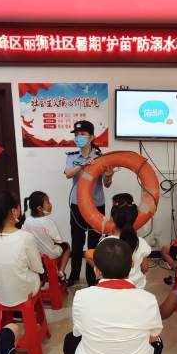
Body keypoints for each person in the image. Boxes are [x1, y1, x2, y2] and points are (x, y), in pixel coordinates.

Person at [54, 238, 169, 354]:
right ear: (132, 264)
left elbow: (79, 334)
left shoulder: (82, 297)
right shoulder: (148, 300)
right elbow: (153, 338)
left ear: (96, 270)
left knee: (70, 339)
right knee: (158, 342)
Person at [64, 120, 114, 287]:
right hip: (77, 205)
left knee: (94, 242)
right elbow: (68, 174)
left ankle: (92, 278)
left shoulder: (101, 158)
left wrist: (108, 176)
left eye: (83, 135)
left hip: (96, 205)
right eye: (76, 135)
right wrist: (83, 165)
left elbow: (107, 184)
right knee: (77, 241)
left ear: (91, 137)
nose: (78, 138)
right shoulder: (72, 157)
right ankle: (74, 275)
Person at [0, 190, 44, 306]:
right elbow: (38, 269)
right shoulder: (26, 237)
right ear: (14, 211)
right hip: (23, 293)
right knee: (43, 264)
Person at [87, 201, 151, 289]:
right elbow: (145, 269)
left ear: (112, 220)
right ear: (135, 219)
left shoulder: (105, 242)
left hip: (112, 287)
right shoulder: (141, 242)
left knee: (87, 254)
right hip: (137, 287)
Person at [21, 191, 71, 282]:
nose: (51, 204)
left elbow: (24, 237)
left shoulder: (27, 221)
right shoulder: (49, 223)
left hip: (35, 254)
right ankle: (61, 273)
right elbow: (58, 241)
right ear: (40, 208)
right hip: (49, 255)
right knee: (66, 246)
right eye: (48, 202)